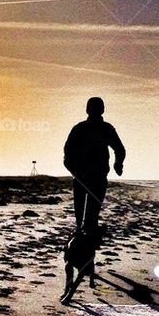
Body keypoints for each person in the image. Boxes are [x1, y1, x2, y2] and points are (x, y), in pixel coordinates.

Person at [63, 97, 126, 231]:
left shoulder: (103, 128)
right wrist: (72, 167)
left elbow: (119, 149)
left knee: (89, 211)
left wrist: (118, 163)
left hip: (93, 174)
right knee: (85, 211)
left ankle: (85, 229)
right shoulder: (84, 128)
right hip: (84, 175)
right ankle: (83, 230)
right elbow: (68, 151)